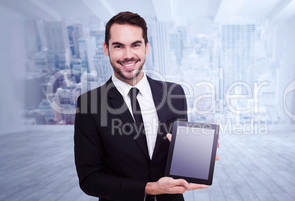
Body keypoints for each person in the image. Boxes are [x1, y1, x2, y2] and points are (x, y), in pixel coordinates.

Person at [74, 11, 209, 201]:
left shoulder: (174, 93)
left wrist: (199, 155)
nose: (128, 55)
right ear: (106, 49)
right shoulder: (89, 104)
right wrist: (150, 188)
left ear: (146, 47)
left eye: (135, 45)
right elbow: (89, 179)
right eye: (119, 46)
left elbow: (180, 159)